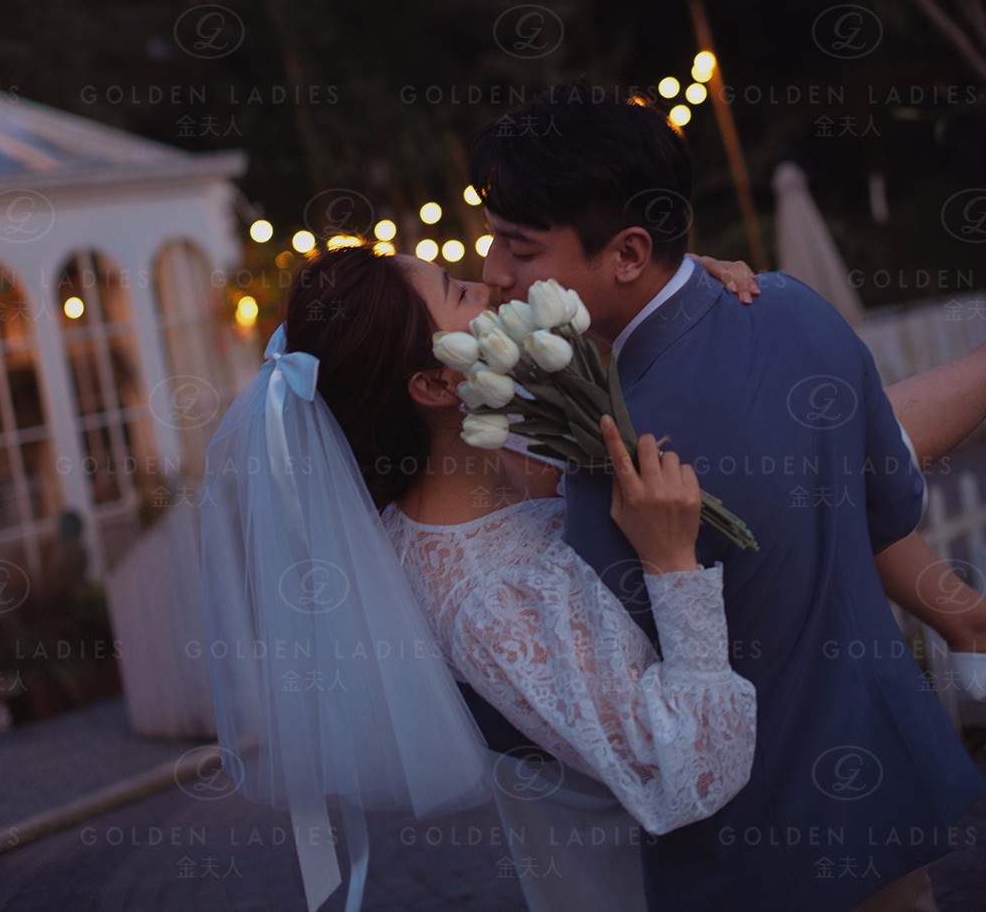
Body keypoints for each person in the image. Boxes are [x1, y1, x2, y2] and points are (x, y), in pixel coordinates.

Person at [467, 84, 986, 912]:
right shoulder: (795, 307)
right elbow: (885, 504)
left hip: (758, 852)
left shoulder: (619, 453)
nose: (493, 271)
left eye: (519, 249)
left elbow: (595, 697)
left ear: (629, 252)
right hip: (887, 786)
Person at [200, 242, 758, 912]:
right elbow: (694, 771)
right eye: (457, 293)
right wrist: (671, 563)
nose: (486, 285)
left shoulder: (491, 442)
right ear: (436, 385)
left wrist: (674, 283)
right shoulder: (488, 598)